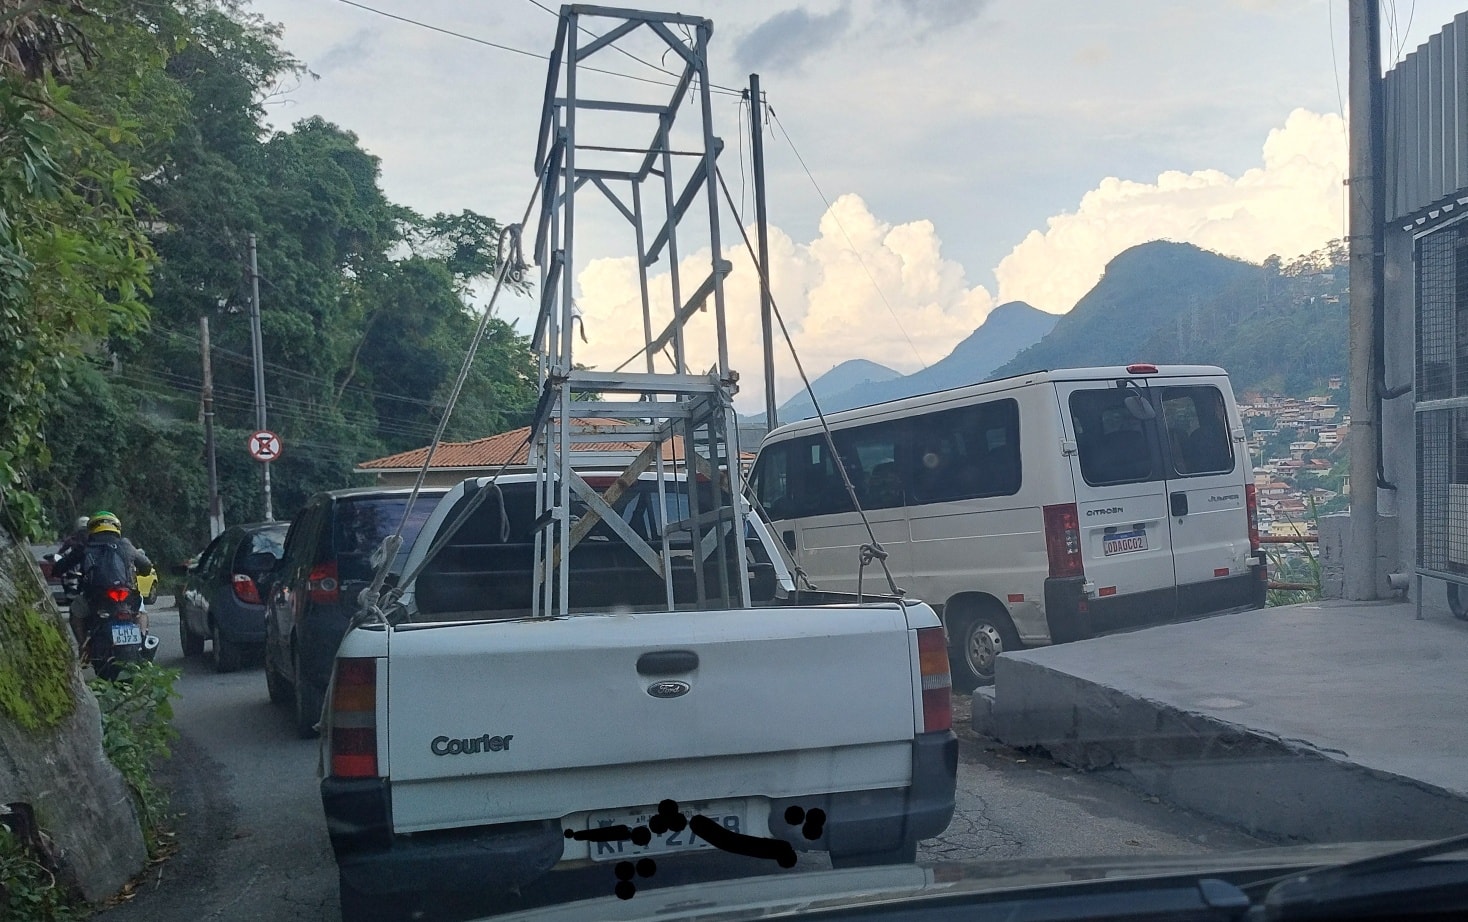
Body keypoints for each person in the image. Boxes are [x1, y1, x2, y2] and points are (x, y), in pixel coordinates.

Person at [51, 511, 153, 654]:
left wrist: (57, 569)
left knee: (75, 611)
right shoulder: (126, 545)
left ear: (92, 528)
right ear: (116, 527)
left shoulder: (85, 547)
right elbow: (146, 566)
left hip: (97, 596)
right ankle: (143, 640)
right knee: (141, 611)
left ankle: (84, 647)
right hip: (127, 594)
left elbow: (60, 567)